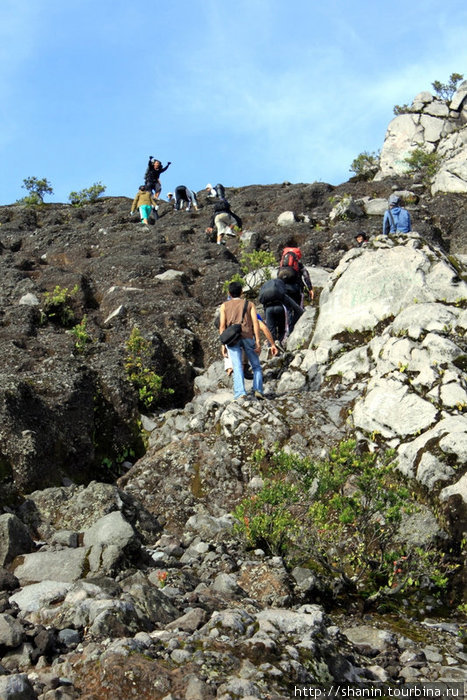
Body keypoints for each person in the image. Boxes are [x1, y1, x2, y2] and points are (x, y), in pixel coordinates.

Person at [219, 281, 263, 400]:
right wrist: (258, 340)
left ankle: (240, 393)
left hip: (232, 339)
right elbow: (255, 323)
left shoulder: (224, 306)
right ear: (242, 292)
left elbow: (222, 326)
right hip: (248, 336)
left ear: (229, 293)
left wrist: (223, 344)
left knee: (237, 365)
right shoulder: (250, 305)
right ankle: (258, 390)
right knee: (256, 365)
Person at [258, 277, 304, 348]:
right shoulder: (281, 293)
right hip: (280, 308)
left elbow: (264, 308)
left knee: (271, 330)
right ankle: (281, 345)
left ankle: (272, 347)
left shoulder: (266, 297)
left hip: (268, 310)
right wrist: (303, 313)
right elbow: (294, 305)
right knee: (282, 329)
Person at [277, 247, 313, 332]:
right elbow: (306, 276)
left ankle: (288, 330)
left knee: (288, 310)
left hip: (285, 290)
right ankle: (297, 328)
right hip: (296, 289)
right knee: (298, 309)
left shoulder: (282, 266)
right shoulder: (298, 265)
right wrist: (310, 288)